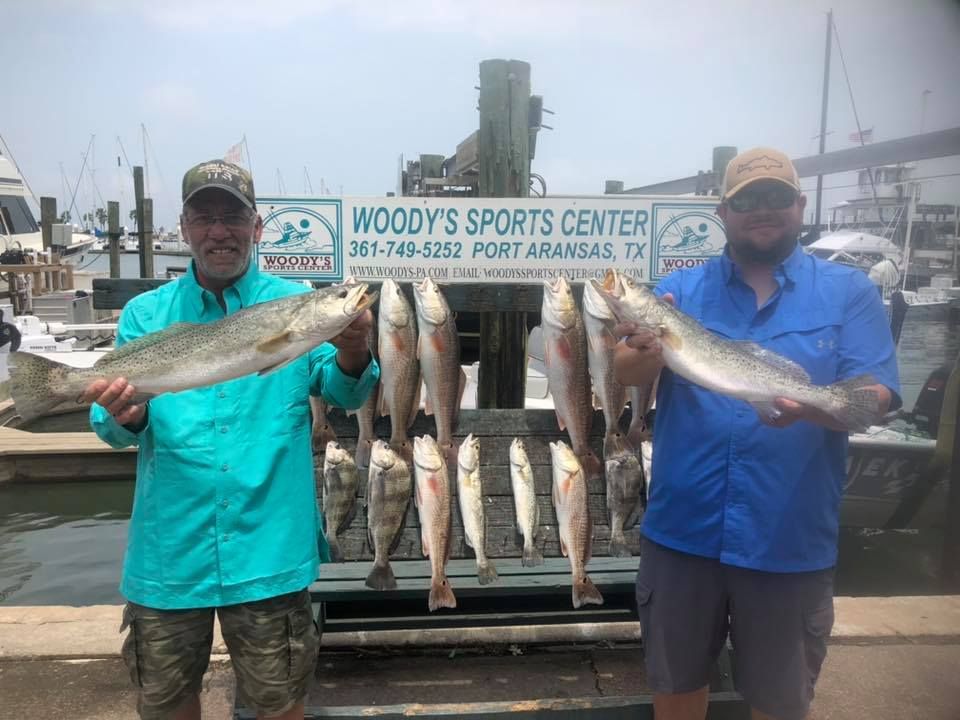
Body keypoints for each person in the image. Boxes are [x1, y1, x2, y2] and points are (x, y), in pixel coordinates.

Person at [84, 159, 378, 720]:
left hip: (269, 544)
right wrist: (127, 414)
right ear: (186, 227)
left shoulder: (295, 304)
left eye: (232, 217)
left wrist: (354, 349)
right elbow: (112, 428)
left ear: (257, 226)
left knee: (278, 704)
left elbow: (343, 393)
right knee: (165, 702)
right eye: (204, 218)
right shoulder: (147, 315)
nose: (219, 231)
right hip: (170, 550)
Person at [614, 147, 899, 720]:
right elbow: (625, 370)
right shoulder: (680, 292)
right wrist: (647, 346)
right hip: (682, 535)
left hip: (788, 538)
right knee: (675, 684)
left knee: (780, 700)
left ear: (799, 205)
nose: (761, 210)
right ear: (725, 210)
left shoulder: (849, 292)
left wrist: (810, 409)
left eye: (774, 197)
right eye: (747, 200)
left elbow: (879, 397)